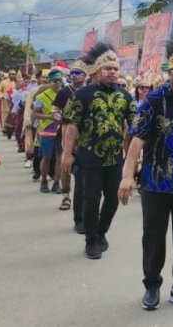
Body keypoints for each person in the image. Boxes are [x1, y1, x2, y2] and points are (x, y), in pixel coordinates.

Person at [119, 39, 173, 311]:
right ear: (170, 72)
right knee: (154, 237)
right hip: (156, 183)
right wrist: (127, 175)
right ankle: (152, 285)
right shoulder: (154, 101)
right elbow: (137, 140)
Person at [62, 43, 136, 260]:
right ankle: (90, 239)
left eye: (115, 68)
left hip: (115, 159)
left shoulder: (126, 96)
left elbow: (135, 126)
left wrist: (135, 153)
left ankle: (101, 232)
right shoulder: (83, 95)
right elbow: (72, 126)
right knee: (91, 200)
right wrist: (67, 153)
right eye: (107, 68)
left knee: (113, 199)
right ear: (96, 72)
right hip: (89, 158)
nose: (112, 72)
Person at [54, 61, 87, 215]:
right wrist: (58, 116)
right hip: (67, 129)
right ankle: (66, 195)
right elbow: (55, 109)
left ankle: (85, 198)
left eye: (79, 73)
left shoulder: (90, 91)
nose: (75, 76)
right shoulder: (64, 91)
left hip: (86, 132)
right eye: (73, 73)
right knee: (65, 164)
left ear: (85, 75)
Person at [33, 68, 65, 194]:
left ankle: (57, 183)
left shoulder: (65, 94)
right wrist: (49, 117)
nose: (57, 83)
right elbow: (35, 113)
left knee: (59, 158)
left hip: (62, 129)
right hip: (47, 129)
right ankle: (44, 181)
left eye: (59, 80)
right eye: (55, 81)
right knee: (46, 157)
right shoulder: (42, 96)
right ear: (50, 82)